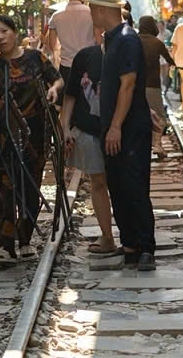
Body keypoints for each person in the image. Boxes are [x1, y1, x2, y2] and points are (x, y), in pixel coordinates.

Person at [0, 15, 63, 262]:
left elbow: (56, 77)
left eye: (4, 31)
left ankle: (25, 241)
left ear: (14, 32)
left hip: (33, 134)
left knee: (30, 186)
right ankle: (4, 246)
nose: (0, 37)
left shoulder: (35, 58)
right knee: (6, 188)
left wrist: (54, 89)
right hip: (0, 137)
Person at [89, 0, 156, 271]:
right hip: (117, 126)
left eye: (92, 8)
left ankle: (145, 247)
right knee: (118, 186)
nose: (90, 13)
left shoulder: (127, 39)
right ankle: (130, 245)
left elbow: (128, 85)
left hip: (128, 128)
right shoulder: (113, 39)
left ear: (103, 10)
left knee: (134, 185)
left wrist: (116, 125)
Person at [59, 26, 118, 256]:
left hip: (118, 129)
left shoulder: (126, 56)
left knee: (118, 183)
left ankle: (129, 237)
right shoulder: (85, 56)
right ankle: (107, 236)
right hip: (90, 128)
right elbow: (71, 94)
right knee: (98, 181)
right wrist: (65, 127)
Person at [138, 16, 174, 151]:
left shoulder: (133, 41)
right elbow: (169, 59)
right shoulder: (157, 43)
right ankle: (157, 143)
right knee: (159, 115)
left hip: (135, 85)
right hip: (153, 85)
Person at [44, 0, 96, 74]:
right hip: (89, 64)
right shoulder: (92, 14)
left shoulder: (56, 16)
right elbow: (98, 38)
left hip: (66, 66)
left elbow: (52, 45)